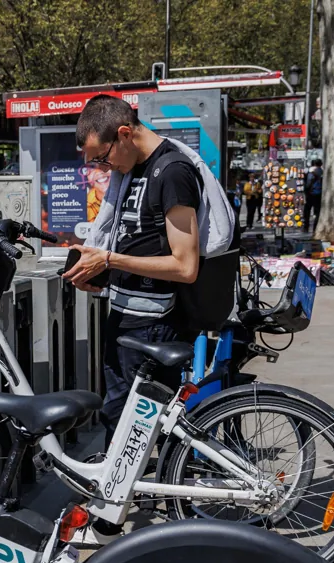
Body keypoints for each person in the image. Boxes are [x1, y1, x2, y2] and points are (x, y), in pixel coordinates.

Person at [62, 94, 203, 449]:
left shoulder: (172, 171)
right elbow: (136, 240)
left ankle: (162, 498)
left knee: (138, 431)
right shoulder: (133, 168)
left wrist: (109, 261)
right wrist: (100, 273)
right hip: (125, 318)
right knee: (118, 421)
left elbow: (185, 266)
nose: (103, 168)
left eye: (102, 158)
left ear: (124, 133)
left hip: (154, 326)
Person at [304, 159, 323, 233]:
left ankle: (306, 227)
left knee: (307, 210)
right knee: (317, 211)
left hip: (311, 193)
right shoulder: (321, 172)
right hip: (319, 193)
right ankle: (315, 227)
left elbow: (308, 183)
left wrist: (306, 190)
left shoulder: (311, 172)